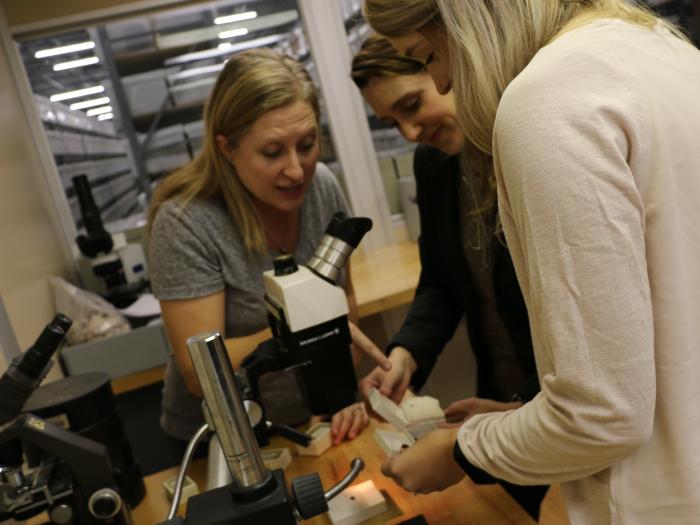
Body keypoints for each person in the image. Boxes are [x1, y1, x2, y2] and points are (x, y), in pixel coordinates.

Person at [363, 0, 700, 522]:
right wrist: (525, 416)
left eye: (428, 55)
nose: (445, 81)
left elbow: (602, 415)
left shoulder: (546, 101)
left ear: (462, 19)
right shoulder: (661, 49)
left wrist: (462, 449)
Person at [148, 49, 387, 455]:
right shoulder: (186, 223)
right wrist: (310, 328)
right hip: (221, 440)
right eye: (272, 153)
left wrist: (336, 399)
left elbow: (343, 307)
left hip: (312, 421)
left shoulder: (321, 187)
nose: (296, 170)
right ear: (227, 148)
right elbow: (198, 372)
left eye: (308, 144)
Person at [351, 34, 548, 521]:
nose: (410, 132)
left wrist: (523, 408)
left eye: (413, 105)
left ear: (446, 67)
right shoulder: (436, 163)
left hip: (558, 404)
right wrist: (405, 355)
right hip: (498, 397)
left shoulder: (534, 145)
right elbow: (441, 280)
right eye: (391, 123)